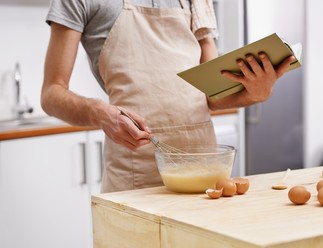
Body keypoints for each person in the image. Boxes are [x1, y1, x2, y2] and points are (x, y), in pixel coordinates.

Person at [41, 0, 295, 193]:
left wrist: (255, 93)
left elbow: (212, 95)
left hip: (204, 167)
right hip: (135, 172)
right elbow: (51, 93)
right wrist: (99, 113)